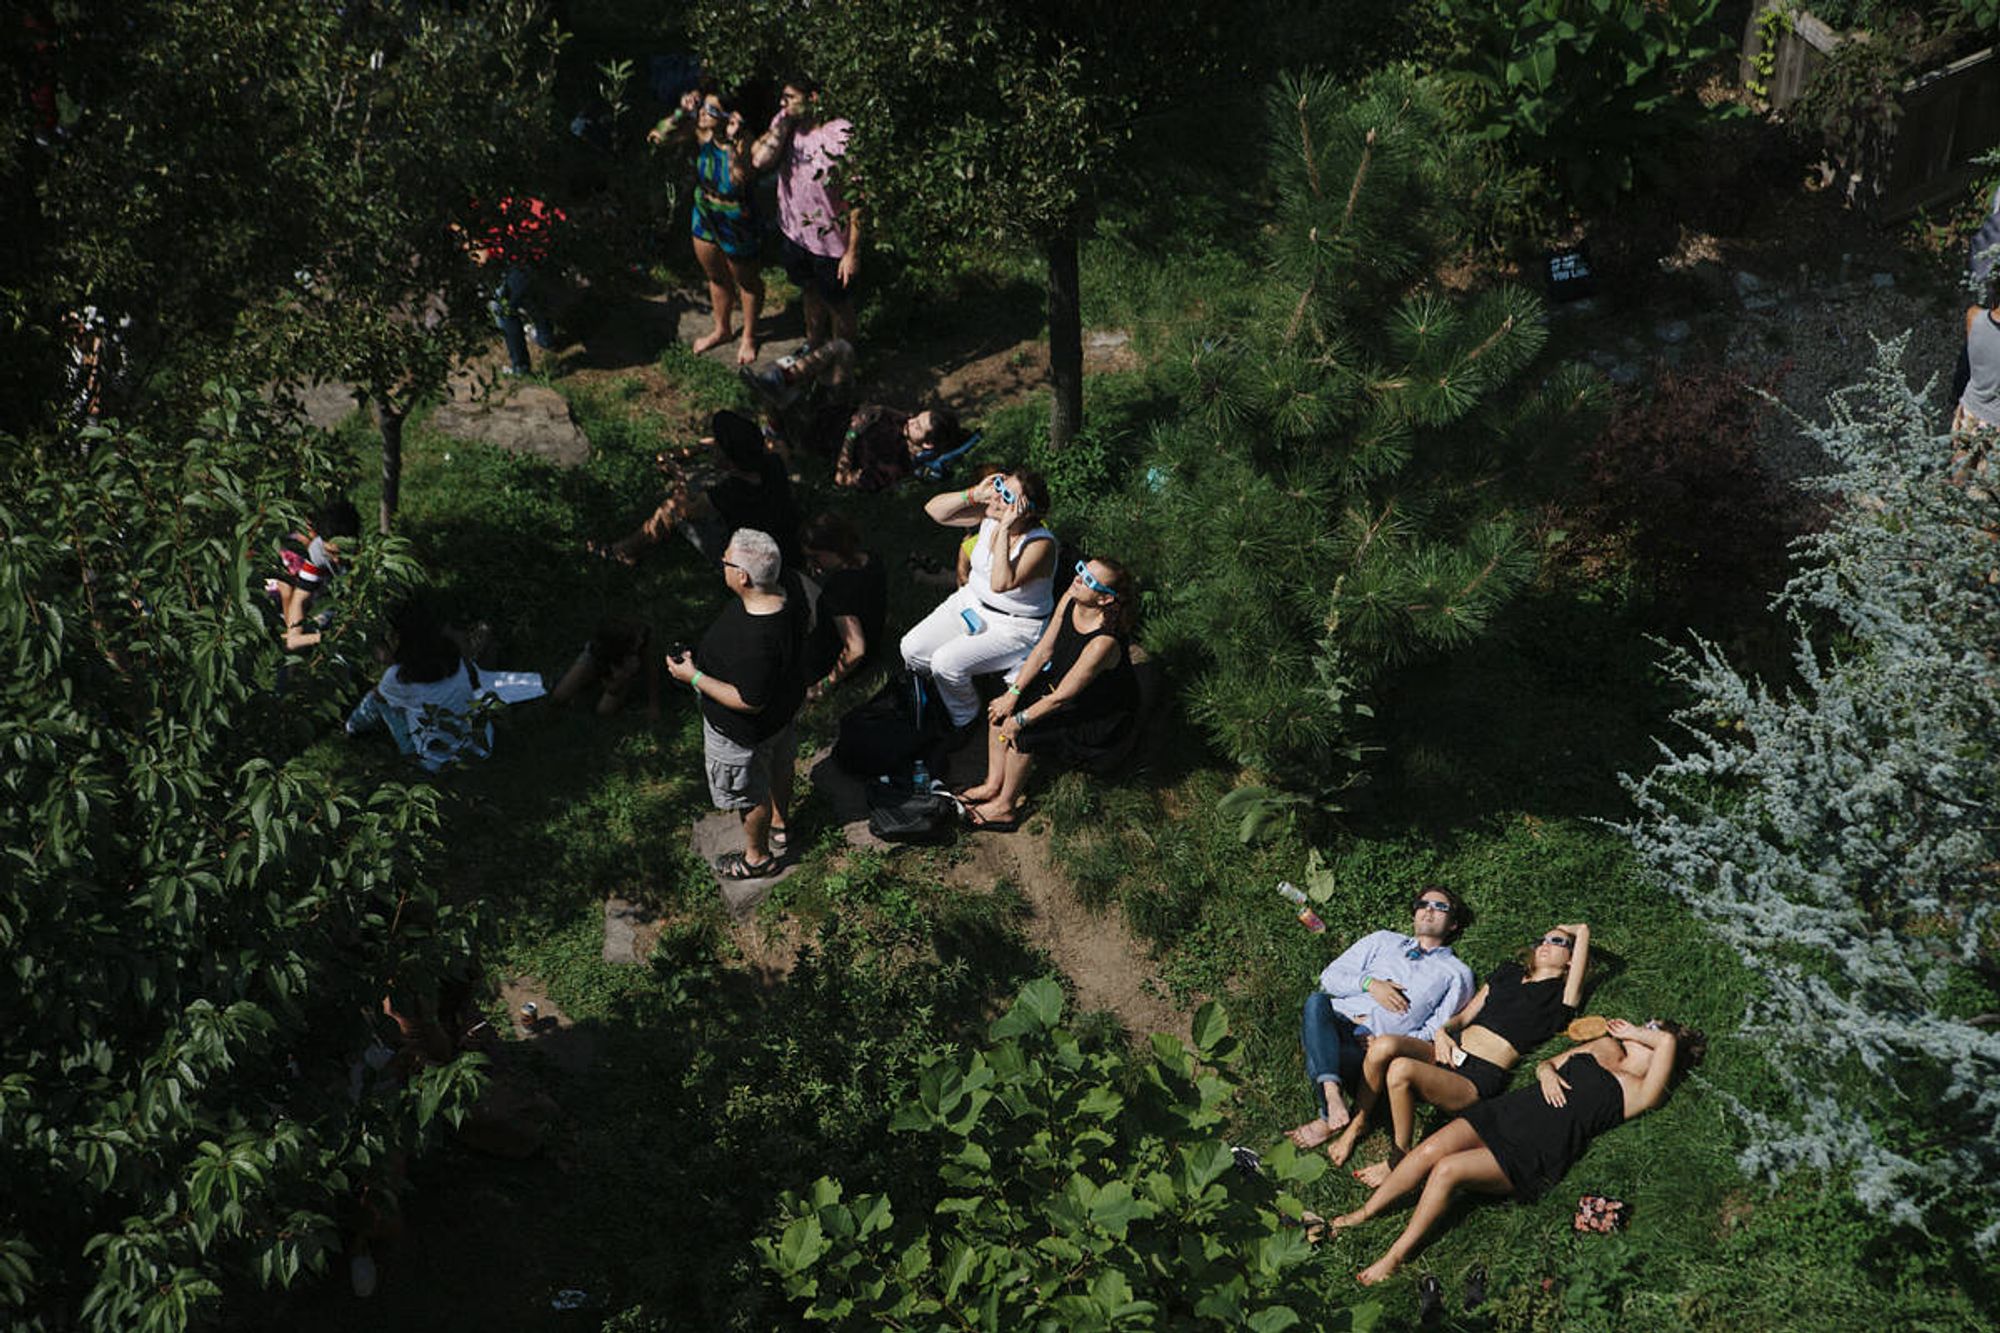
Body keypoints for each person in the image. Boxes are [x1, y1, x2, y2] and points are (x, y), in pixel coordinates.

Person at [1328, 1017, 1705, 1286]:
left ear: (1662, 1051)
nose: (1640, 1028)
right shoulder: (1605, 1047)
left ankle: (1394, 1257)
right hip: (1507, 1113)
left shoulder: (1639, 1092)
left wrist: (1649, 1034)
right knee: (1428, 1151)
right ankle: (1364, 1212)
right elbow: (1548, 1064)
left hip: (1535, 1148)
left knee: (1447, 1171)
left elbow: (1669, 1044)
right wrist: (1545, 1073)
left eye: (1651, 1029)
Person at [1334, 922, 1593, 1183]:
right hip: (1449, 1051)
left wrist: (1575, 930)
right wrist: (1442, 1033)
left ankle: (1399, 1157)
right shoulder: (1508, 973)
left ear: (1571, 960)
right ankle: (1359, 1121)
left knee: (1401, 1068)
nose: (1546, 945)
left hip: (1478, 1076)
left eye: (1558, 942)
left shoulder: (1561, 997)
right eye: (1543, 939)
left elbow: (1583, 931)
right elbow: (1465, 1016)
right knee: (1383, 1046)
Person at [664, 529, 807, 879]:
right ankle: (781, 822)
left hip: (743, 734)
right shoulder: (788, 591)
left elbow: (748, 700)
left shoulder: (755, 642)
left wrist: (693, 677)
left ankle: (757, 858)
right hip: (782, 717)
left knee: (750, 793)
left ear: (743, 576)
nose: (721, 565)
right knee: (780, 766)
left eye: (725, 560)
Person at [957, 556, 1140, 831]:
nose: (1078, 578)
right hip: (1061, 685)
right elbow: (1044, 650)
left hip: (1094, 712)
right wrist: (1014, 694)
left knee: (1024, 733)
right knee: (1000, 707)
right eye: (1081, 569)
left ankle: (1005, 806)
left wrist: (1020, 720)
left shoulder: (1103, 642)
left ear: (1104, 599)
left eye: (1088, 580)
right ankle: (993, 783)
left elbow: (1064, 696)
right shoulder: (1071, 598)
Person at [1289, 890, 1477, 1151]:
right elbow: (1329, 977)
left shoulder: (1457, 974)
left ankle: (1327, 1107)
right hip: (1334, 1020)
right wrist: (1370, 984)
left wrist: (1390, 1044)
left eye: (1440, 907)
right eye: (1423, 904)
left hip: (1367, 1050)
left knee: (1323, 1046)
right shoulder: (1383, 941)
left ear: (1453, 924)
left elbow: (1436, 1032)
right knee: (1315, 1002)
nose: (1429, 910)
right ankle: (1331, 1094)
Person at [899, 468, 1057, 732]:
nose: (996, 498)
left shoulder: (1040, 545)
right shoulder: (989, 515)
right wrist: (974, 494)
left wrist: (1006, 526)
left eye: (1006, 495)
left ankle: (966, 718)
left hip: (1014, 626)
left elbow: (1000, 584)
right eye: (999, 486)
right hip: (971, 602)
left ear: (1025, 510)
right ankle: (946, 691)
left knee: (945, 663)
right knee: (912, 650)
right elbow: (934, 511)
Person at [649, 81, 764, 366]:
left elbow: (740, 178)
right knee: (715, 276)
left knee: (746, 281)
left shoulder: (746, 141)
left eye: (712, 109)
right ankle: (722, 329)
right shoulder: (702, 133)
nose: (703, 113)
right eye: (704, 106)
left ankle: (749, 335)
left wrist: (734, 142)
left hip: (736, 220)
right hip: (704, 213)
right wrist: (681, 112)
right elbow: (656, 138)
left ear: (730, 117)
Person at [595, 409, 800, 566]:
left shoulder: (728, 493)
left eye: (718, 445)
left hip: (750, 561)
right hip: (784, 539)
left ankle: (624, 551)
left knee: (671, 509)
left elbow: (686, 509)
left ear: (728, 461)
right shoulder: (774, 461)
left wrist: (679, 477)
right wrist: (702, 448)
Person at [751, 77, 859, 355]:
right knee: (809, 290)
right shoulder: (787, 123)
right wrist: (783, 124)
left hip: (830, 243)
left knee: (838, 304)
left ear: (813, 98)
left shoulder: (841, 134)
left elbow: (859, 197)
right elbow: (758, 161)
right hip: (795, 234)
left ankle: (840, 362)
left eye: (789, 97)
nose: (782, 103)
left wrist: (852, 252)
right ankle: (813, 343)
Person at [345, 601, 491, 771]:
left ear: (399, 638)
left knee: (378, 697)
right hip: (480, 745)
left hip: (436, 760)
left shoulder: (397, 677)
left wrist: (388, 659)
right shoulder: (453, 651)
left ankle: (353, 727)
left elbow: (380, 696)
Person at [463, 196, 565, 376]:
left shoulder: (482, 210)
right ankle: (545, 338)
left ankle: (521, 367)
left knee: (502, 308)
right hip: (544, 253)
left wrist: (473, 245)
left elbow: (484, 254)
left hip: (529, 257)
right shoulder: (512, 201)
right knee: (528, 295)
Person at [799, 512, 886, 703]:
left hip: (828, 662)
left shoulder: (839, 590)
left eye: (816, 557)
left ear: (834, 549)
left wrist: (824, 685)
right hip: (874, 643)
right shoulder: (872, 560)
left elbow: (855, 649)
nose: (811, 564)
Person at [265, 498, 361, 651]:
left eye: (341, 552)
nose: (336, 560)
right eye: (331, 553)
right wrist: (295, 634)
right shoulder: (318, 550)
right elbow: (300, 597)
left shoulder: (364, 560)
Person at [831, 402, 965, 492]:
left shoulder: (894, 468)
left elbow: (842, 479)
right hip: (835, 411)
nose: (911, 421)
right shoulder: (905, 425)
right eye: (916, 416)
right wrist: (871, 412)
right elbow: (878, 409)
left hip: (825, 439)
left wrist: (852, 433)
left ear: (927, 444)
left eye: (917, 426)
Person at [549, 618, 660, 719]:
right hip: (600, 660)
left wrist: (653, 704)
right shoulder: (599, 649)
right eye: (635, 641)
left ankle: (626, 685)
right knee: (559, 696)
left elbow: (652, 670)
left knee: (604, 711)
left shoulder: (642, 640)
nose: (640, 641)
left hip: (625, 667)